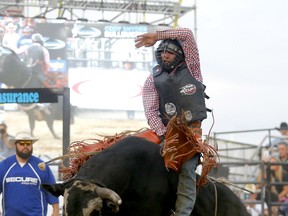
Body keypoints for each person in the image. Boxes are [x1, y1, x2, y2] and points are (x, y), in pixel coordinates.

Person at [135, 28, 208, 216]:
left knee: (187, 169)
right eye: (162, 52)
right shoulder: (152, 80)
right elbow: (151, 111)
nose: (165, 56)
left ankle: (182, 213)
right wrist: (165, 135)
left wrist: (157, 36)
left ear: (180, 55)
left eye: (170, 52)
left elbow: (187, 35)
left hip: (191, 133)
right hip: (166, 133)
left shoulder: (192, 67)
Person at [0, 132, 59, 216]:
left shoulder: (41, 166)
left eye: (28, 143)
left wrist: (56, 211)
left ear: (31, 146)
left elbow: (52, 190)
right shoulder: (4, 166)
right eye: (21, 143)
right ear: (15, 145)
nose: (25, 146)